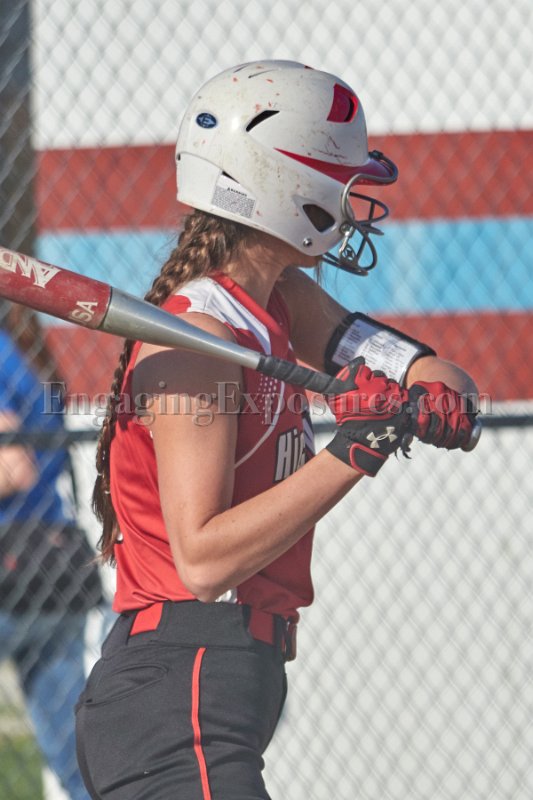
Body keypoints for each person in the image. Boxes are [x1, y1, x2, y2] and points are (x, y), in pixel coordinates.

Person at [75, 60, 478, 800]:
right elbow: (203, 561)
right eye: (342, 183)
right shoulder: (196, 340)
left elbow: (420, 366)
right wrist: (355, 450)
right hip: (178, 688)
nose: (355, 205)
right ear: (288, 186)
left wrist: (436, 394)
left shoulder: (283, 301)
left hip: (223, 684)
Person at [0, 301, 103, 800]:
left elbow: (12, 467)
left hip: (12, 572)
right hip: (54, 573)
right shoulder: (24, 351)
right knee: (78, 766)